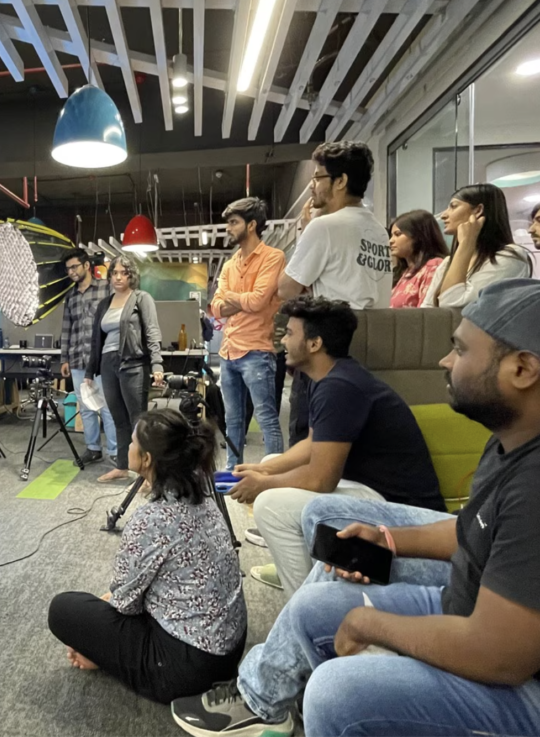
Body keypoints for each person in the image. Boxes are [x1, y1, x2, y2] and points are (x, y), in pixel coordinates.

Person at [171, 278, 540, 737]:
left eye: (461, 350)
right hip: (461, 597)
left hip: (512, 672)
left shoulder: (532, 483)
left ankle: (304, 688)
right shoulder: (509, 441)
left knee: (335, 692)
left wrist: (372, 624)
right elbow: (473, 529)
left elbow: (500, 655)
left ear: (523, 369)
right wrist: (388, 539)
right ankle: (280, 682)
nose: (445, 361)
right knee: (315, 600)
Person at [229, 296, 445, 597]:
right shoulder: (328, 377)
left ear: (314, 344)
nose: (283, 340)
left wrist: (262, 484)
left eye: (290, 333)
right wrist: (263, 470)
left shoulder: (339, 387)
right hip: (370, 488)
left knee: (270, 505)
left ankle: (307, 605)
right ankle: (313, 576)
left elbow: (321, 479)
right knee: (271, 461)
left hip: (400, 508)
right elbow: (312, 443)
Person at [48, 410, 246, 703]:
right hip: (229, 650)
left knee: (63, 609)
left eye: (132, 442)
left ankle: (106, 659)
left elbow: (125, 605)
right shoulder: (202, 494)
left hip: (188, 668)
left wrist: (99, 632)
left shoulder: (150, 519)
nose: (128, 446)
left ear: (147, 459)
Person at [278, 141, 391, 447]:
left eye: (318, 177)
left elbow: (285, 288)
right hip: (371, 345)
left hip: (326, 349)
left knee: (309, 438)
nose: (312, 186)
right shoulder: (378, 230)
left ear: (340, 181)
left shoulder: (324, 227)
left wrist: (307, 233)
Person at [209, 197, 286, 473]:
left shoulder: (273, 257)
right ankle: (234, 470)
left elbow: (258, 301)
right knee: (232, 419)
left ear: (251, 225)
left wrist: (232, 297)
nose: (228, 228)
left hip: (258, 350)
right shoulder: (230, 264)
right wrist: (241, 300)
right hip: (228, 351)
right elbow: (216, 308)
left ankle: (274, 474)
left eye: (233, 222)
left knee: (266, 419)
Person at [84, 255, 164, 482]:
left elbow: (152, 330)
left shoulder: (141, 298)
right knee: (118, 419)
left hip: (133, 364)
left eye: (124, 273)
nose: (118, 277)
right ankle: (122, 466)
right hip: (108, 365)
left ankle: (146, 473)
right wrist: (90, 371)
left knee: (138, 420)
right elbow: (96, 340)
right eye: (115, 273)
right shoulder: (104, 304)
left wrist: (157, 363)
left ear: (131, 276)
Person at [422, 183, 533, 307]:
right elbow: (427, 309)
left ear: (478, 210)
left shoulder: (509, 256)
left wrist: (466, 243)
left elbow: (451, 303)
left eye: (454, 206)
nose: (444, 215)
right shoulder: (447, 262)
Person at [59, 248, 118, 465]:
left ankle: (115, 450)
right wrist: (64, 359)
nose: (71, 272)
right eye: (68, 269)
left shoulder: (106, 288)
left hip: (102, 360)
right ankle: (93, 449)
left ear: (86, 265)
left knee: (108, 406)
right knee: (85, 407)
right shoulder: (70, 297)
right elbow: (67, 329)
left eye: (74, 267)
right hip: (77, 359)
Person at [388, 209, 449, 308]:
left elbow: (425, 312)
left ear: (418, 236)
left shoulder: (433, 267)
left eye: (398, 234)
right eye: (391, 235)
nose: (391, 241)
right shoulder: (404, 272)